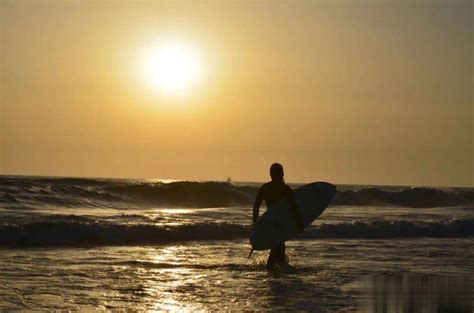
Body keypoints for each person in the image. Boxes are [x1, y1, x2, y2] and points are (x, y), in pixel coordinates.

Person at [252, 163, 304, 270]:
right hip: (280, 223)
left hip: (270, 222)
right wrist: (299, 223)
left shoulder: (265, 187)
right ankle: (275, 269)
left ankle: (277, 272)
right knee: (278, 247)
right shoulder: (285, 189)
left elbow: (256, 205)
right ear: (282, 173)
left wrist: (255, 222)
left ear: (271, 174)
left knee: (277, 247)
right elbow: (294, 207)